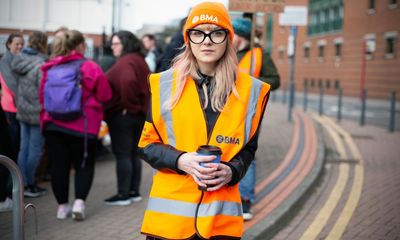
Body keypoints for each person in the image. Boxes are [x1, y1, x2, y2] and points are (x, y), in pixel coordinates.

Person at [137, 2, 271, 239]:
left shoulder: (252, 91)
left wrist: (231, 171)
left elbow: (248, 149)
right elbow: (146, 145)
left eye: (216, 32)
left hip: (219, 222)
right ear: (188, 39)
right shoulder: (163, 84)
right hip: (169, 225)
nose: (207, 40)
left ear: (228, 39)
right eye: (198, 32)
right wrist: (180, 160)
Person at [39, 30, 112, 220]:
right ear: (80, 45)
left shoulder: (49, 67)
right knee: (84, 164)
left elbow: (42, 97)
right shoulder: (90, 67)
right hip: (83, 126)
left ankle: (62, 207)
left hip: (53, 125)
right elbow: (105, 95)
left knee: (59, 166)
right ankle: (79, 203)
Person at [232, 17, 281, 221]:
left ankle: (245, 200)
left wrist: (250, 83)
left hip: (250, 112)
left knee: (246, 155)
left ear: (241, 36)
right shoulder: (228, 53)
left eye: (231, 33)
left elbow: (275, 80)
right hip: (227, 112)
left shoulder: (260, 55)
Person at [103, 31, 150, 206]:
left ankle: (123, 195)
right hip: (138, 115)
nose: (112, 47)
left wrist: (128, 106)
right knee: (133, 155)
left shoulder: (126, 61)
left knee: (123, 155)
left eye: (116, 44)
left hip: (125, 115)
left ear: (125, 43)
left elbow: (129, 82)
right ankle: (133, 191)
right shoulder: (139, 59)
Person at [11, 31, 48, 198]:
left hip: (22, 109)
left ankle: (22, 183)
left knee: (23, 148)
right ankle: (30, 183)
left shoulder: (18, 60)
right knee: (35, 149)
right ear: (42, 44)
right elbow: (43, 89)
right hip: (36, 111)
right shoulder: (41, 64)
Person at [0, 33, 25, 162]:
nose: (20, 46)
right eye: (17, 44)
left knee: (20, 145)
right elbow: (12, 84)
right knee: (12, 146)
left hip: (21, 108)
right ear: (9, 44)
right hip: (10, 109)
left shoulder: (21, 59)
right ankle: (10, 180)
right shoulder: (4, 61)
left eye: (22, 44)